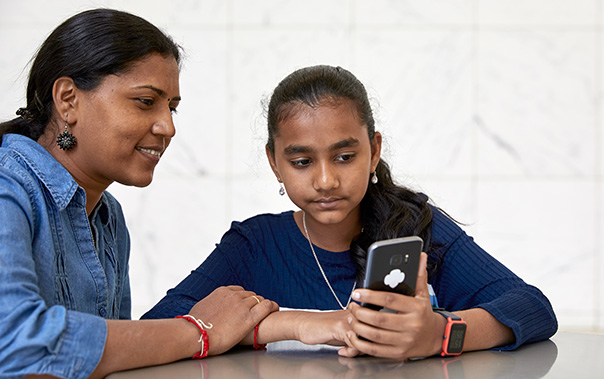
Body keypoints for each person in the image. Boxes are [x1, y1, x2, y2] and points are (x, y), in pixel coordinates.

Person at [143, 65, 558, 359]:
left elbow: (532, 308)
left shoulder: (416, 227)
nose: (325, 181)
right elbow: (156, 327)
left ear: (373, 151)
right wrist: (287, 324)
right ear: (275, 163)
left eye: (344, 156)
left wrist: (439, 333)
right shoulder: (253, 246)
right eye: (302, 162)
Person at [0, 8, 277, 379]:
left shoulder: (108, 216)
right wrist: (198, 331)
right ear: (68, 100)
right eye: (146, 101)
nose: (168, 127)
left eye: (172, 107)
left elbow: (110, 367)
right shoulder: (8, 186)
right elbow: (16, 343)